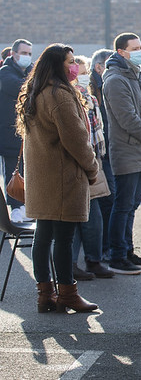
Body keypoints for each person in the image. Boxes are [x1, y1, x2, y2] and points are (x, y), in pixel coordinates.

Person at [16, 43, 99, 313]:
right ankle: (67, 294)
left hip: (42, 179)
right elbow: (76, 141)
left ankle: (45, 294)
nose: (74, 66)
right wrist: (92, 168)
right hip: (63, 178)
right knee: (63, 238)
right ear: (57, 65)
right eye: (70, 61)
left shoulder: (36, 91)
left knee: (43, 236)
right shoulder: (60, 95)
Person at [103, 32, 141, 275]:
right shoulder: (115, 80)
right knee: (122, 206)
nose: (140, 51)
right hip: (127, 150)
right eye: (135, 47)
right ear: (121, 52)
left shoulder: (135, 75)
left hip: (140, 150)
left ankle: (127, 249)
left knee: (131, 205)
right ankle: (117, 255)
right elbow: (128, 119)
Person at [71, 56, 114, 280]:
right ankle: (77, 263)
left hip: (95, 160)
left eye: (86, 70)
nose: (84, 75)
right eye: (81, 70)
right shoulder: (72, 97)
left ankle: (93, 260)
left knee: (93, 215)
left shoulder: (91, 98)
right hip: (81, 163)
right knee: (81, 216)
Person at [1, 38, 33, 223]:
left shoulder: (30, 71)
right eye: (23, 53)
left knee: (25, 171)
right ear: (13, 54)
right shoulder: (5, 72)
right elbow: (20, 88)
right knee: (13, 170)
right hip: (9, 132)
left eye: (29, 53)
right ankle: (15, 207)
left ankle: (25, 205)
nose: (27, 57)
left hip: (25, 132)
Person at [89, 48, 115, 259]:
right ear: (99, 67)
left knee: (111, 198)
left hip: (109, 149)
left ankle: (110, 246)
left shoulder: (110, 85)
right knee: (106, 198)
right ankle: (104, 248)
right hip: (98, 152)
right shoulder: (92, 89)